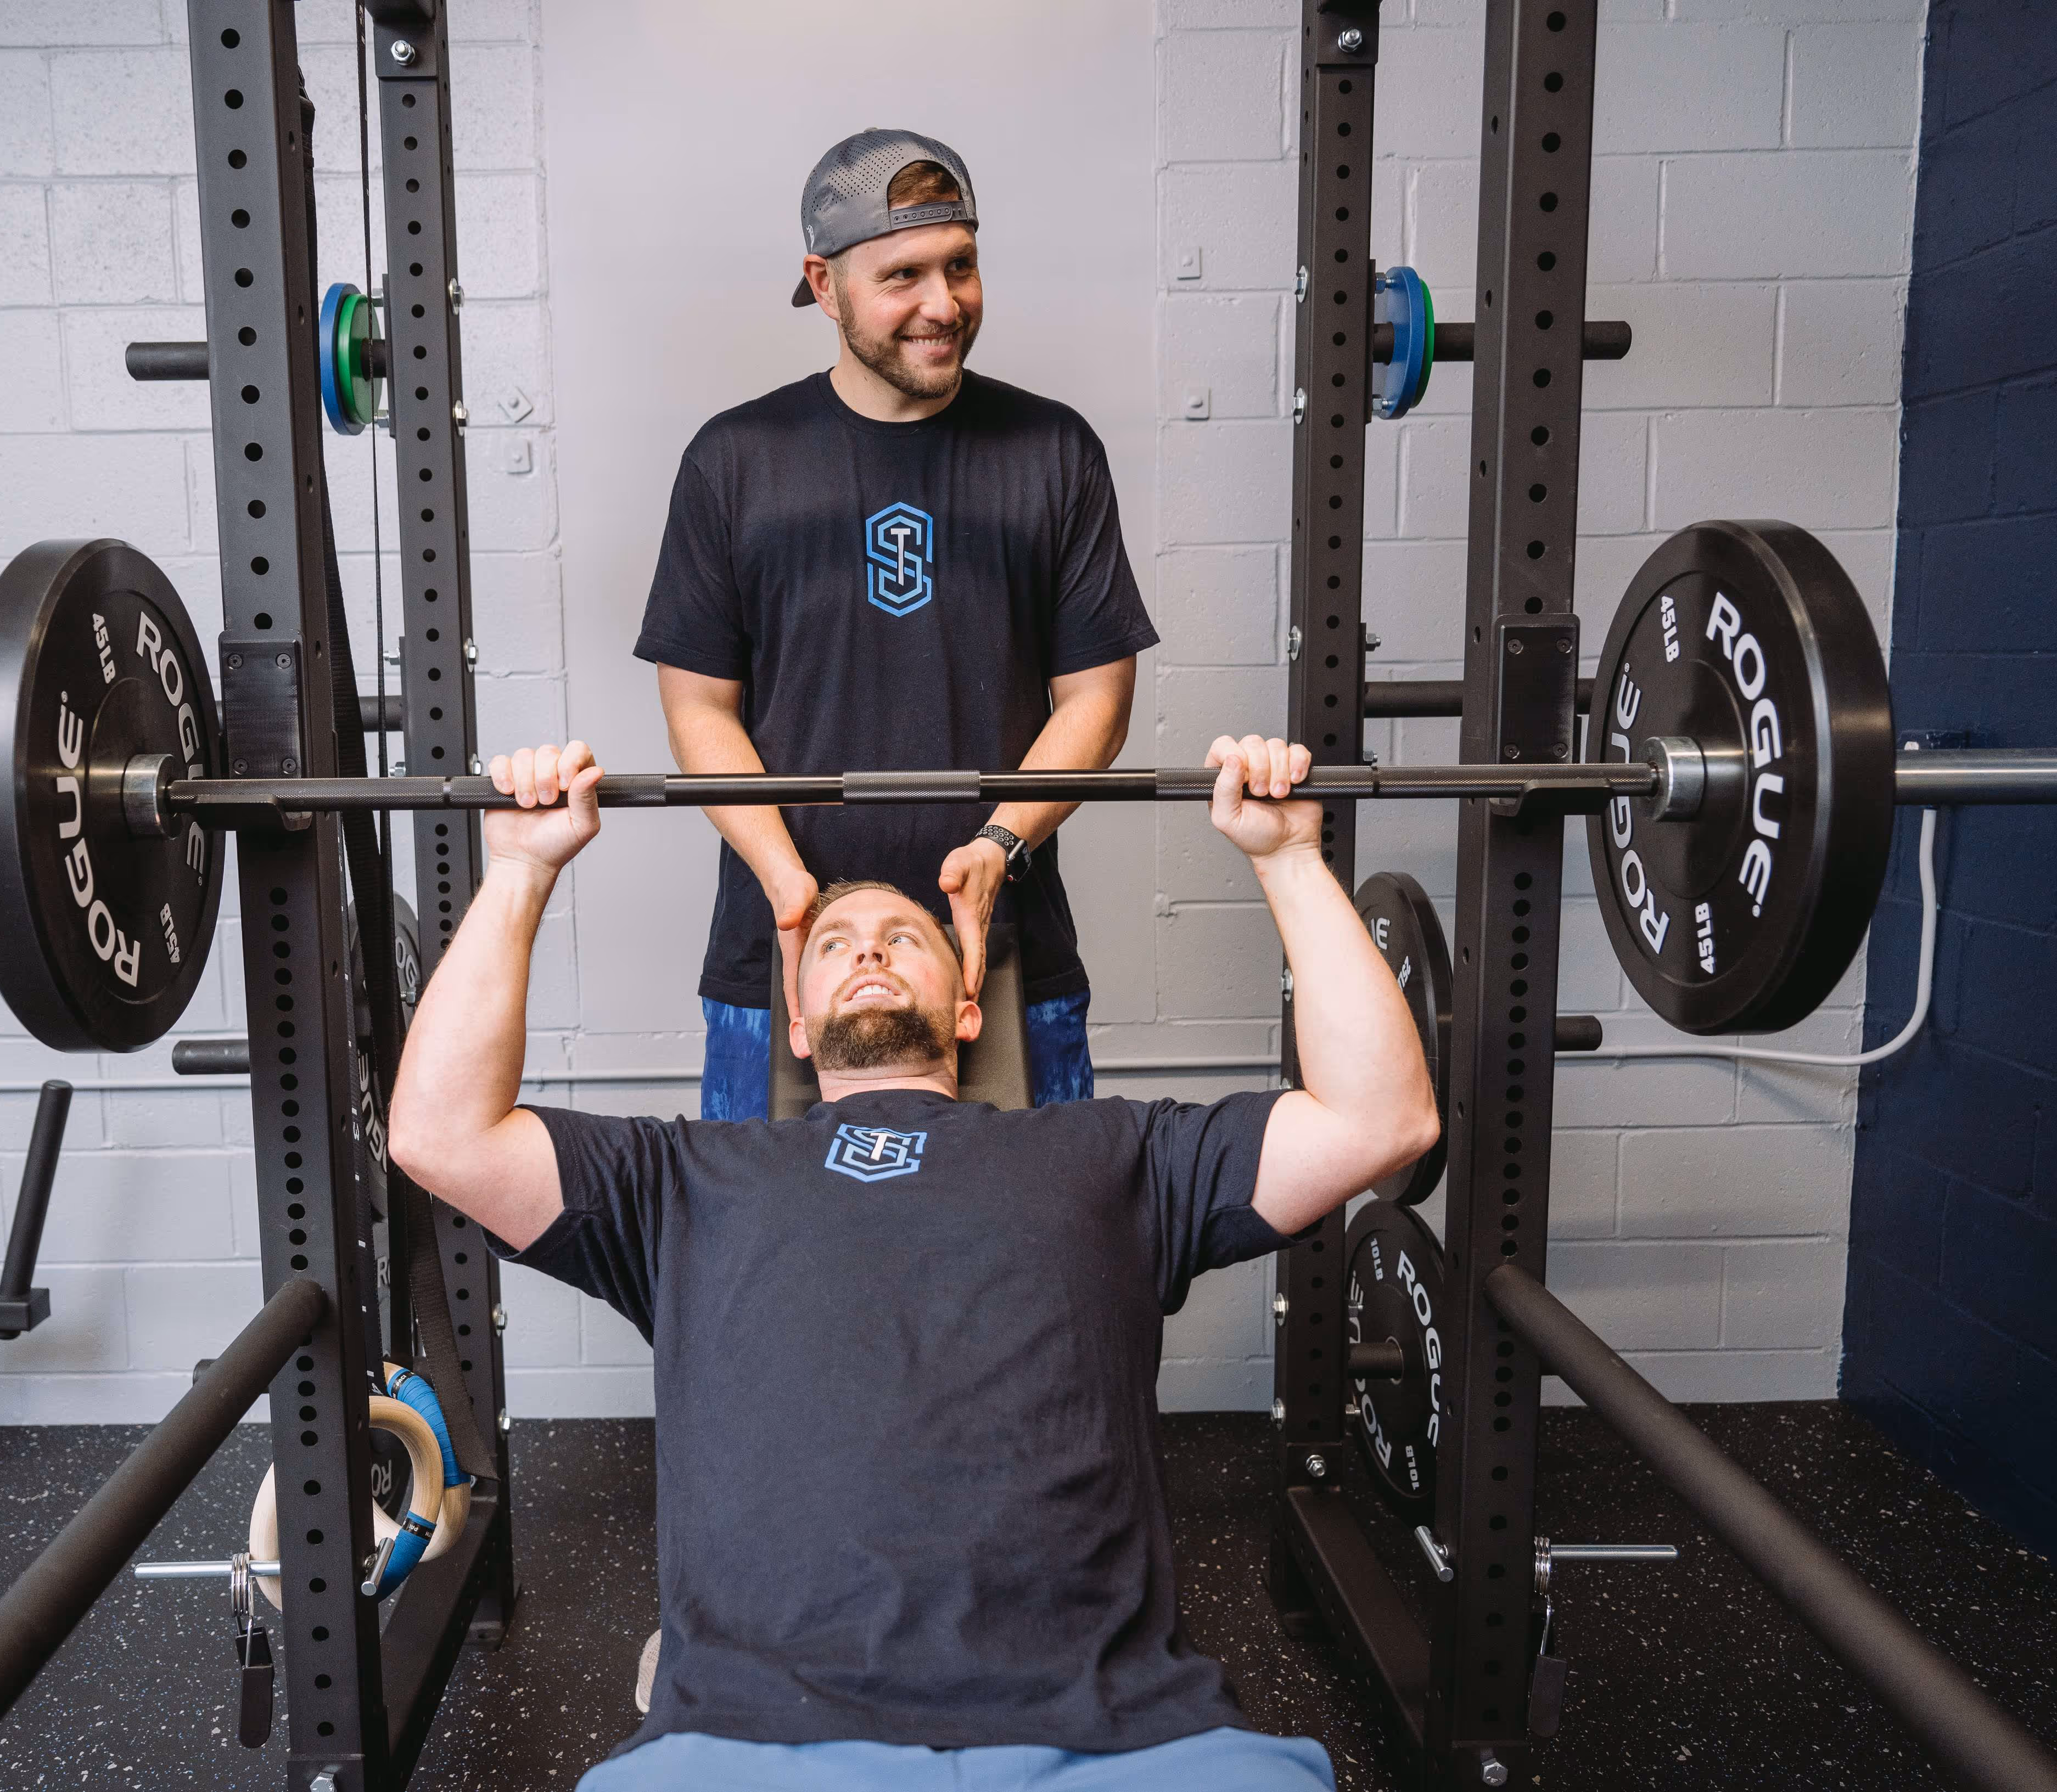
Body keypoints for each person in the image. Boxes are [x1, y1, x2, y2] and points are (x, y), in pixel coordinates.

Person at [388, 733, 1438, 1792]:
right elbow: (441, 1136)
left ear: (968, 1007)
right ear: (795, 1024)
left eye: (905, 936)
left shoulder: (1111, 1151)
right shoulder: (684, 1177)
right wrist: (521, 870)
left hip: (1126, 1739)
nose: (871, 949)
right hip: (749, 1745)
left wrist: (1290, 858)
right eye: (835, 943)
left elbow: (1379, 1119)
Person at [634, 128, 1158, 1120]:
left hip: (999, 948)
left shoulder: (1052, 450)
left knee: (1033, 1259)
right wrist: (790, 888)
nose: (943, 304)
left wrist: (999, 849)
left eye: (960, 266)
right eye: (903, 275)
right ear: (823, 285)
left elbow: (1097, 698)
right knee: (771, 1260)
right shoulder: (734, 460)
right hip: (783, 958)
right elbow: (699, 712)